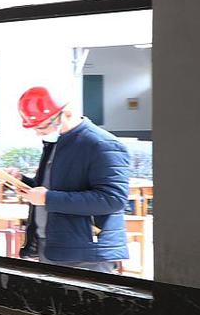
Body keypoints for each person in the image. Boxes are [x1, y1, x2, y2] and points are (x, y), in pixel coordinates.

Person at [10, 85, 130, 273]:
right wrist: (24, 183)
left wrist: (47, 199)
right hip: (53, 246)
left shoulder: (102, 144)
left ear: (66, 114)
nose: (38, 132)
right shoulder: (57, 143)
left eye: (42, 126)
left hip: (87, 254)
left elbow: (112, 199)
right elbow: (58, 187)